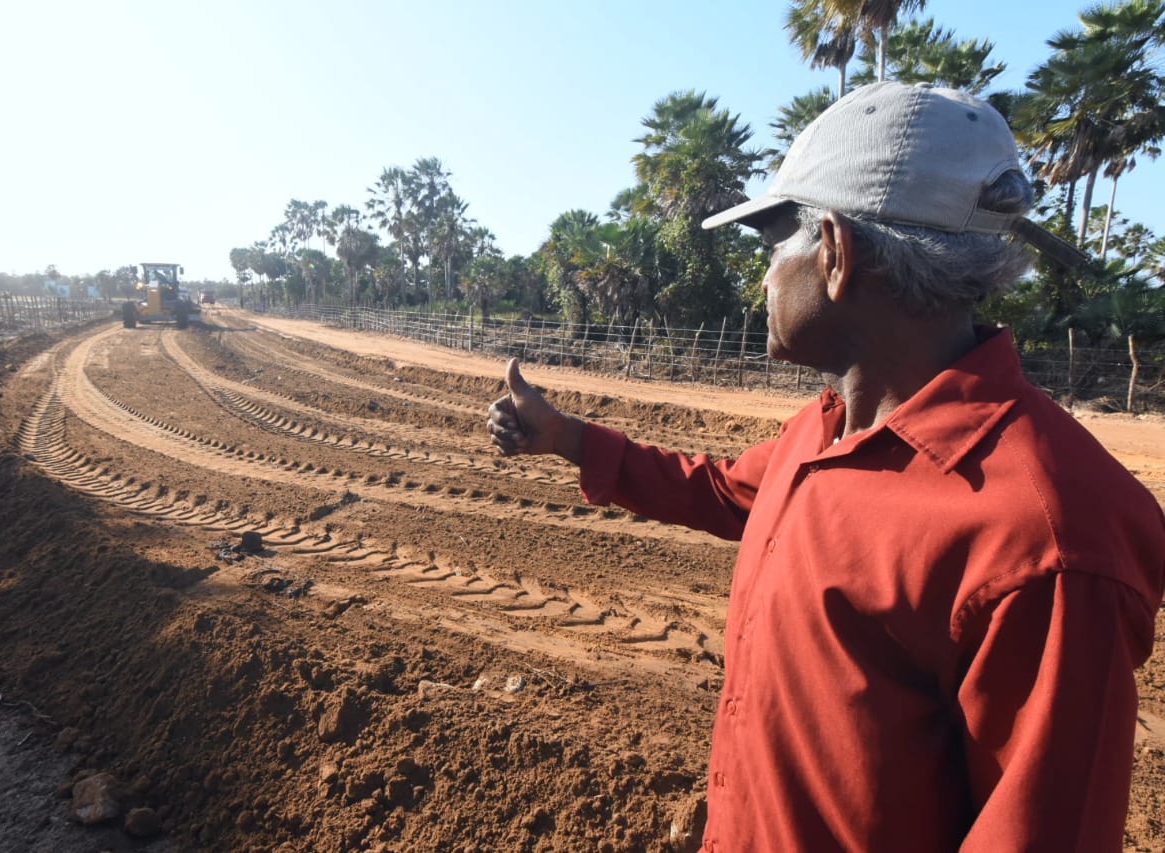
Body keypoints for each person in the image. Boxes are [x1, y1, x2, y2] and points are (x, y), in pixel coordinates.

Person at [486, 81, 1165, 852]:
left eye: (775, 242)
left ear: (835, 253)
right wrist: (570, 438)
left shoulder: (1045, 538)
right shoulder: (829, 429)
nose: (766, 275)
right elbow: (726, 489)